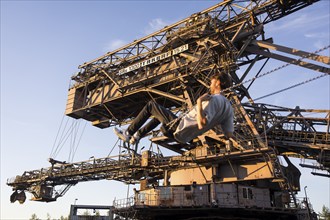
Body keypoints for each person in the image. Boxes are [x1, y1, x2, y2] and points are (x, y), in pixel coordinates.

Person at [114, 72, 234, 144]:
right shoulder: (229, 108)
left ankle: (128, 132)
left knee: (151, 105)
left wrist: (199, 102)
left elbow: (202, 123)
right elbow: (229, 134)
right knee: (159, 116)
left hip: (181, 127)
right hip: (186, 137)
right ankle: (137, 135)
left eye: (212, 83)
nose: (210, 85)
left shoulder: (214, 99)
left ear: (218, 83)